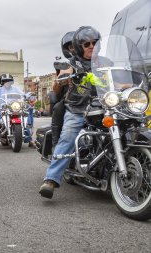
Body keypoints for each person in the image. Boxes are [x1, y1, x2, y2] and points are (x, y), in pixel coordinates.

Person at [39, 26, 101, 199]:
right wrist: (64, 77)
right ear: (80, 46)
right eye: (87, 43)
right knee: (67, 138)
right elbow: (59, 82)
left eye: (94, 43)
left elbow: (120, 80)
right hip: (77, 109)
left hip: (104, 107)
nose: (91, 46)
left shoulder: (105, 62)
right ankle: (50, 180)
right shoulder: (72, 63)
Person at [51, 31, 76, 147]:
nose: (74, 49)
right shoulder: (66, 66)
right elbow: (56, 90)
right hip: (71, 99)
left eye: (77, 45)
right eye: (71, 46)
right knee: (58, 107)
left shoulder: (98, 63)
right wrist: (60, 80)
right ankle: (56, 145)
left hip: (97, 98)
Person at [0, 73, 23, 149]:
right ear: (2, 82)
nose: (7, 82)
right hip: (3, 109)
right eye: (5, 81)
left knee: (25, 122)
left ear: (11, 81)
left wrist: (26, 96)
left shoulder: (16, 88)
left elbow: (22, 94)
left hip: (14, 108)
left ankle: (30, 141)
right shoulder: (0, 89)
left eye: (9, 81)